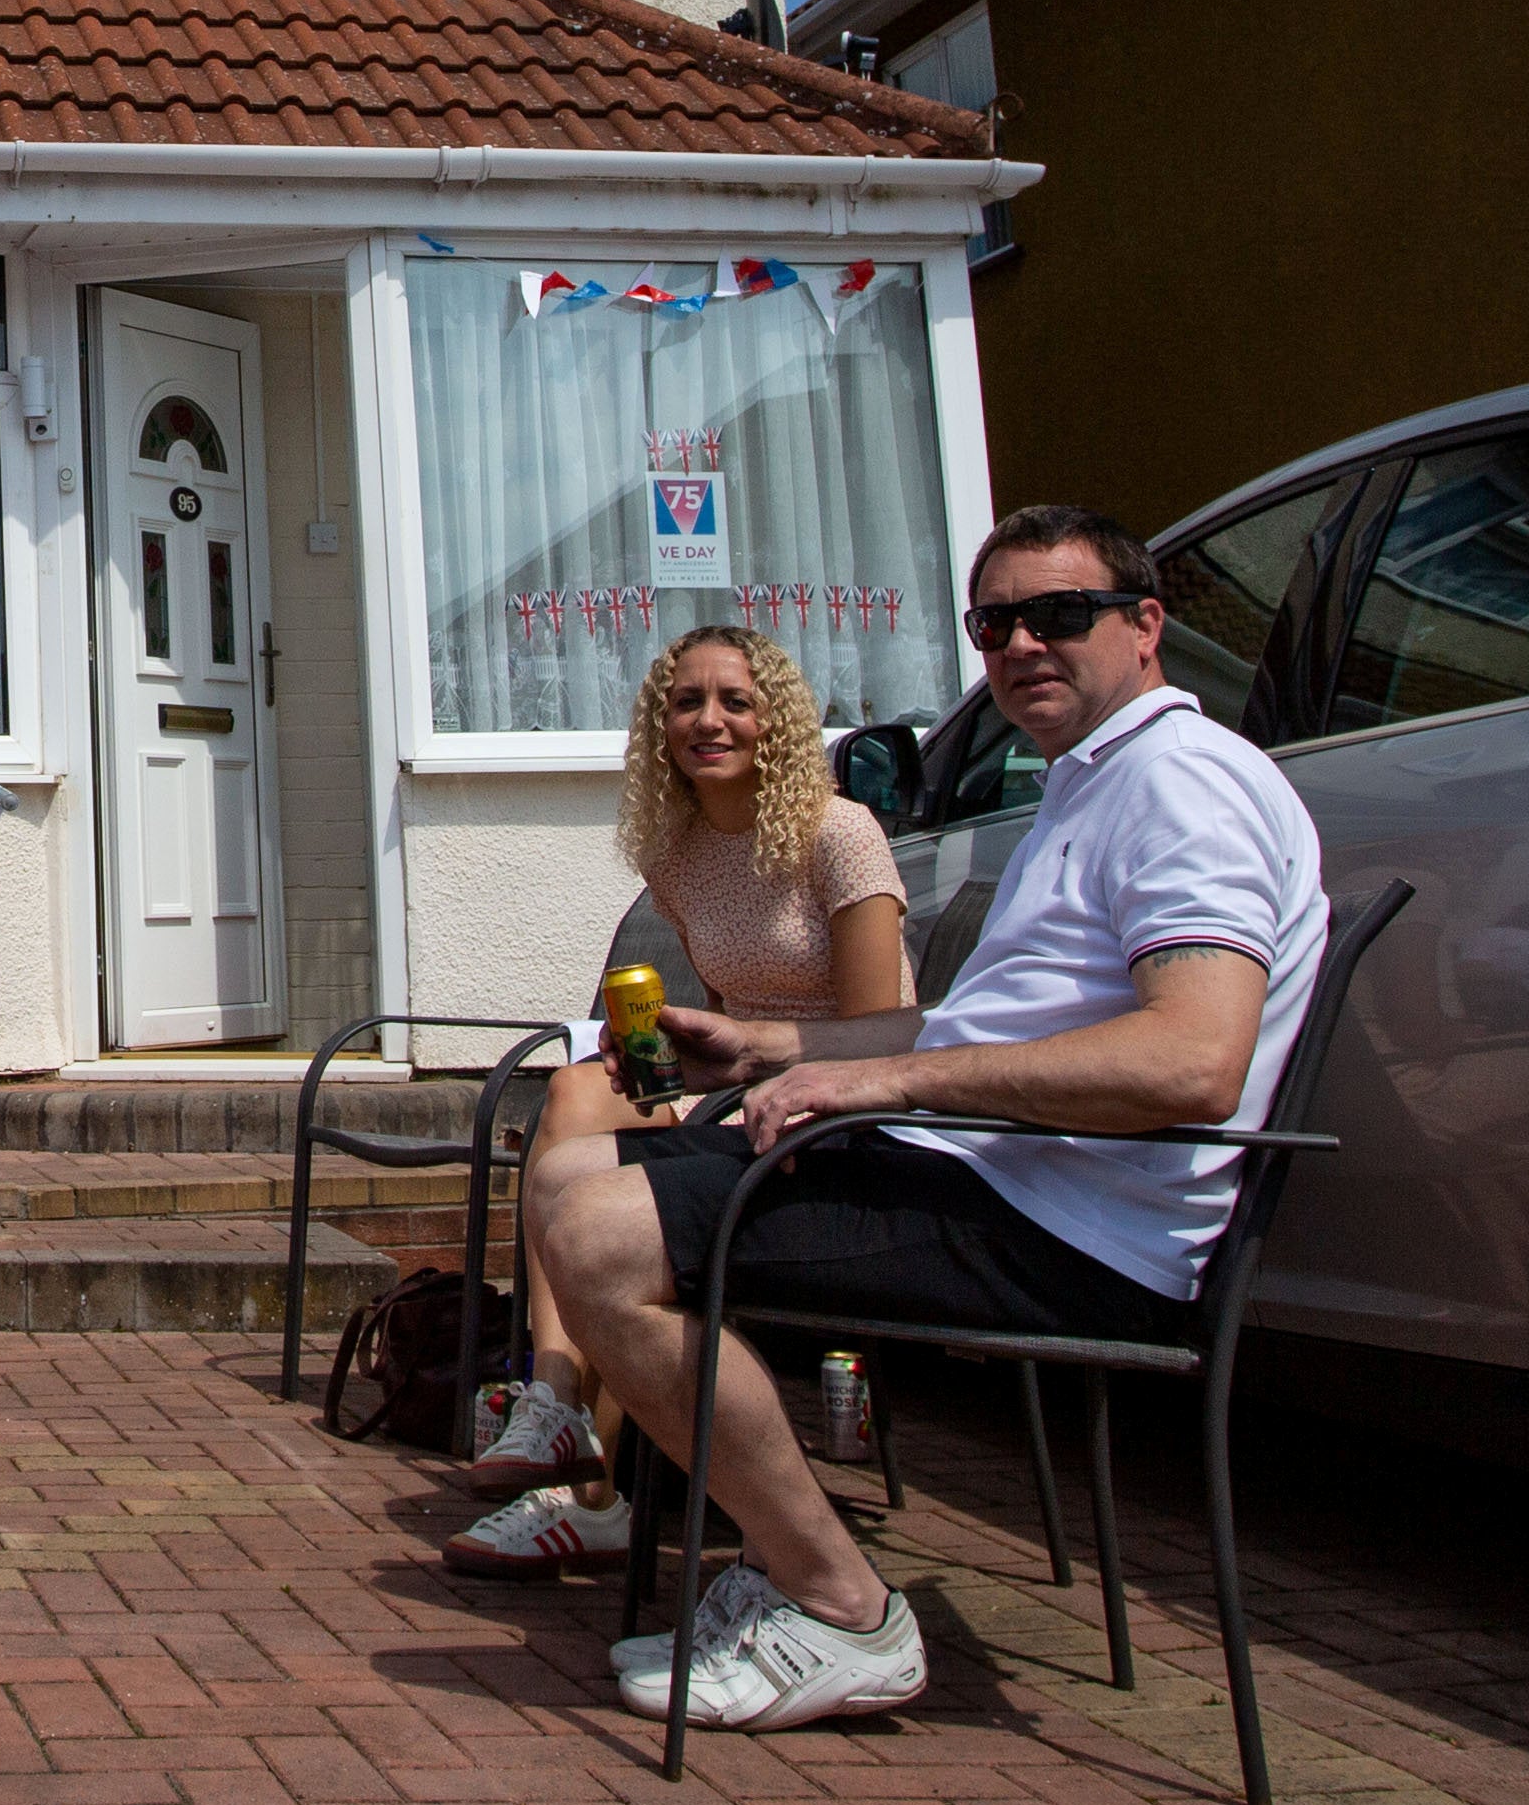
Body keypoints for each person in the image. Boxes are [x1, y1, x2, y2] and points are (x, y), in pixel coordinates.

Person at [504, 503, 1327, 1731]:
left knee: (604, 1237)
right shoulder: (1090, 783)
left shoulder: (1182, 785)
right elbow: (958, 1031)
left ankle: (837, 1605)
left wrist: (879, 1083)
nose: (1023, 647)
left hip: (1069, 1223)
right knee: (573, 1170)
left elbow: (1192, 1062)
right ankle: (751, 1554)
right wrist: (781, 1046)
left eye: (1062, 616)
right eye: (996, 623)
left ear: (1147, 626)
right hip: (999, 1174)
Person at [445, 624, 915, 1579]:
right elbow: (732, 1009)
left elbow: (887, 1031)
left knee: (613, 1212)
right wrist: (657, 1056)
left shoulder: (838, 833)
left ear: (774, 722)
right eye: (687, 703)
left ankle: (590, 1498)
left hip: (844, 1102)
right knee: (578, 1088)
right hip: (738, 1089)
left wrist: (743, 1065)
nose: (710, 721)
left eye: (734, 702)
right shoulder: (680, 853)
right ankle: (554, 1404)